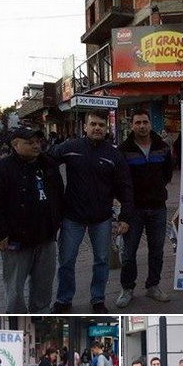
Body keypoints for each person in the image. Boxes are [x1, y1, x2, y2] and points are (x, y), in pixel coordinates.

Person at [50, 110, 134, 314]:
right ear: (85, 127)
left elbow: (125, 186)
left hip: (101, 218)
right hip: (73, 216)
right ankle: (64, 299)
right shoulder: (71, 147)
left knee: (102, 261)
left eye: (101, 125)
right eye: (93, 124)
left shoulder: (114, 155)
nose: (97, 128)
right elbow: (46, 160)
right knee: (67, 260)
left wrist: (125, 217)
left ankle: (98, 299)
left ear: (106, 129)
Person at [0, 128, 63, 313]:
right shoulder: (0, 169)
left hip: (46, 238)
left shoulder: (48, 165)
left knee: (44, 286)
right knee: (15, 289)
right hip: (16, 241)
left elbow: (58, 194)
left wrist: (57, 221)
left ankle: (41, 316)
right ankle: (17, 320)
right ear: (15, 144)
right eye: (29, 142)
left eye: (37, 141)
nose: (36, 145)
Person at [116, 109, 173, 308]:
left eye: (145, 122)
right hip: (133, 210)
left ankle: (153, 286)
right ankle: (127, 288)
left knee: (157, 250)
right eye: (138, 122)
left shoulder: (162, 147)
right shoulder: (124, 149)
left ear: (151, 124)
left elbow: (168, 174)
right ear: (132, 125)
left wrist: (156, 190)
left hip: (158, 207)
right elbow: (120, 180)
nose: (142, 126)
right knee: (129, 252)